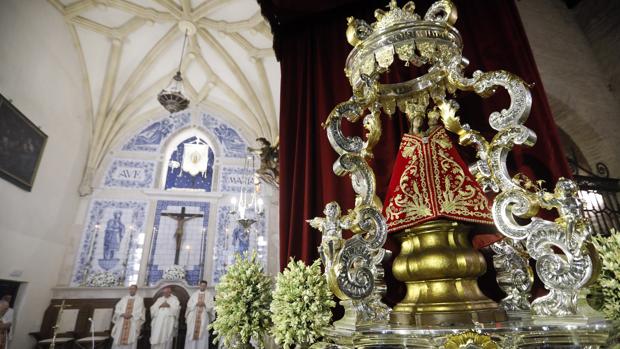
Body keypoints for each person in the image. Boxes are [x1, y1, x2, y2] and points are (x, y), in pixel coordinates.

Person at [185, 280, 214, 349]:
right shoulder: (194, 294)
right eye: (201, 285)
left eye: (204, 286)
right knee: (191, 332)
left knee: (203, 333)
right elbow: (189, 305)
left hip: (203, 317)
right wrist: (196, 303)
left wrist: (204, 304)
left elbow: (211, 306)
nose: (203, 287)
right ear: (199, 285)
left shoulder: (209, 295)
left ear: (206, 286)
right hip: (193, 317)